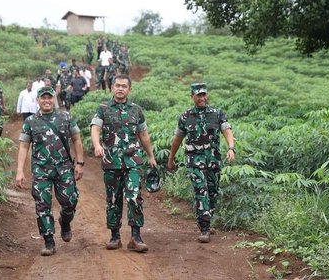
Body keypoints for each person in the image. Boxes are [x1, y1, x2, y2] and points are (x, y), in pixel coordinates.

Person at [15, 86, 85, 256]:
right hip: (41, 171)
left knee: (70, 201)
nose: (46, 101)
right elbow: (24, 146)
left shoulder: (65, 117)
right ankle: (49, 241)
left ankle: (65, 222)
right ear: (37, 100)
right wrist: (20, 171)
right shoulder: (30, 121)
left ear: (54, 99)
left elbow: (76, 138)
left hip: (64, 168)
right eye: (43, 98)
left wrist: (80, 163)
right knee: (42, 205)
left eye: (49, 97)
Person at [90, 74, 156, 253]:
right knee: (113, 199)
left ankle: (136, 237)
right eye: (117, 85)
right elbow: (95, 128)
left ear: (129, 89)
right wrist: (97, 145)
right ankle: (115, 236)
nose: (120, 88)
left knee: (134, 196)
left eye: (123, 86)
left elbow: (143, 135)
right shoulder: (103, 109)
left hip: (133, 161)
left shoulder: (136, 110)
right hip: (111, 161)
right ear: (112, 88)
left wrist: (151, 156)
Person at [167, 83, 235, 243]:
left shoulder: (217, 114)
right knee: (201, 190)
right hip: (194, 160)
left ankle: (207, 219)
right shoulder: (186, 117)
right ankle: (204, 228)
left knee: (213, 190)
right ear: (192, 97)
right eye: (199, 95)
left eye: (204, 95)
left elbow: (227, 130)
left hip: (213, 159)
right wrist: (171, 158)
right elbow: (178, 139)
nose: (202, 98)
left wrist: (231, 148)